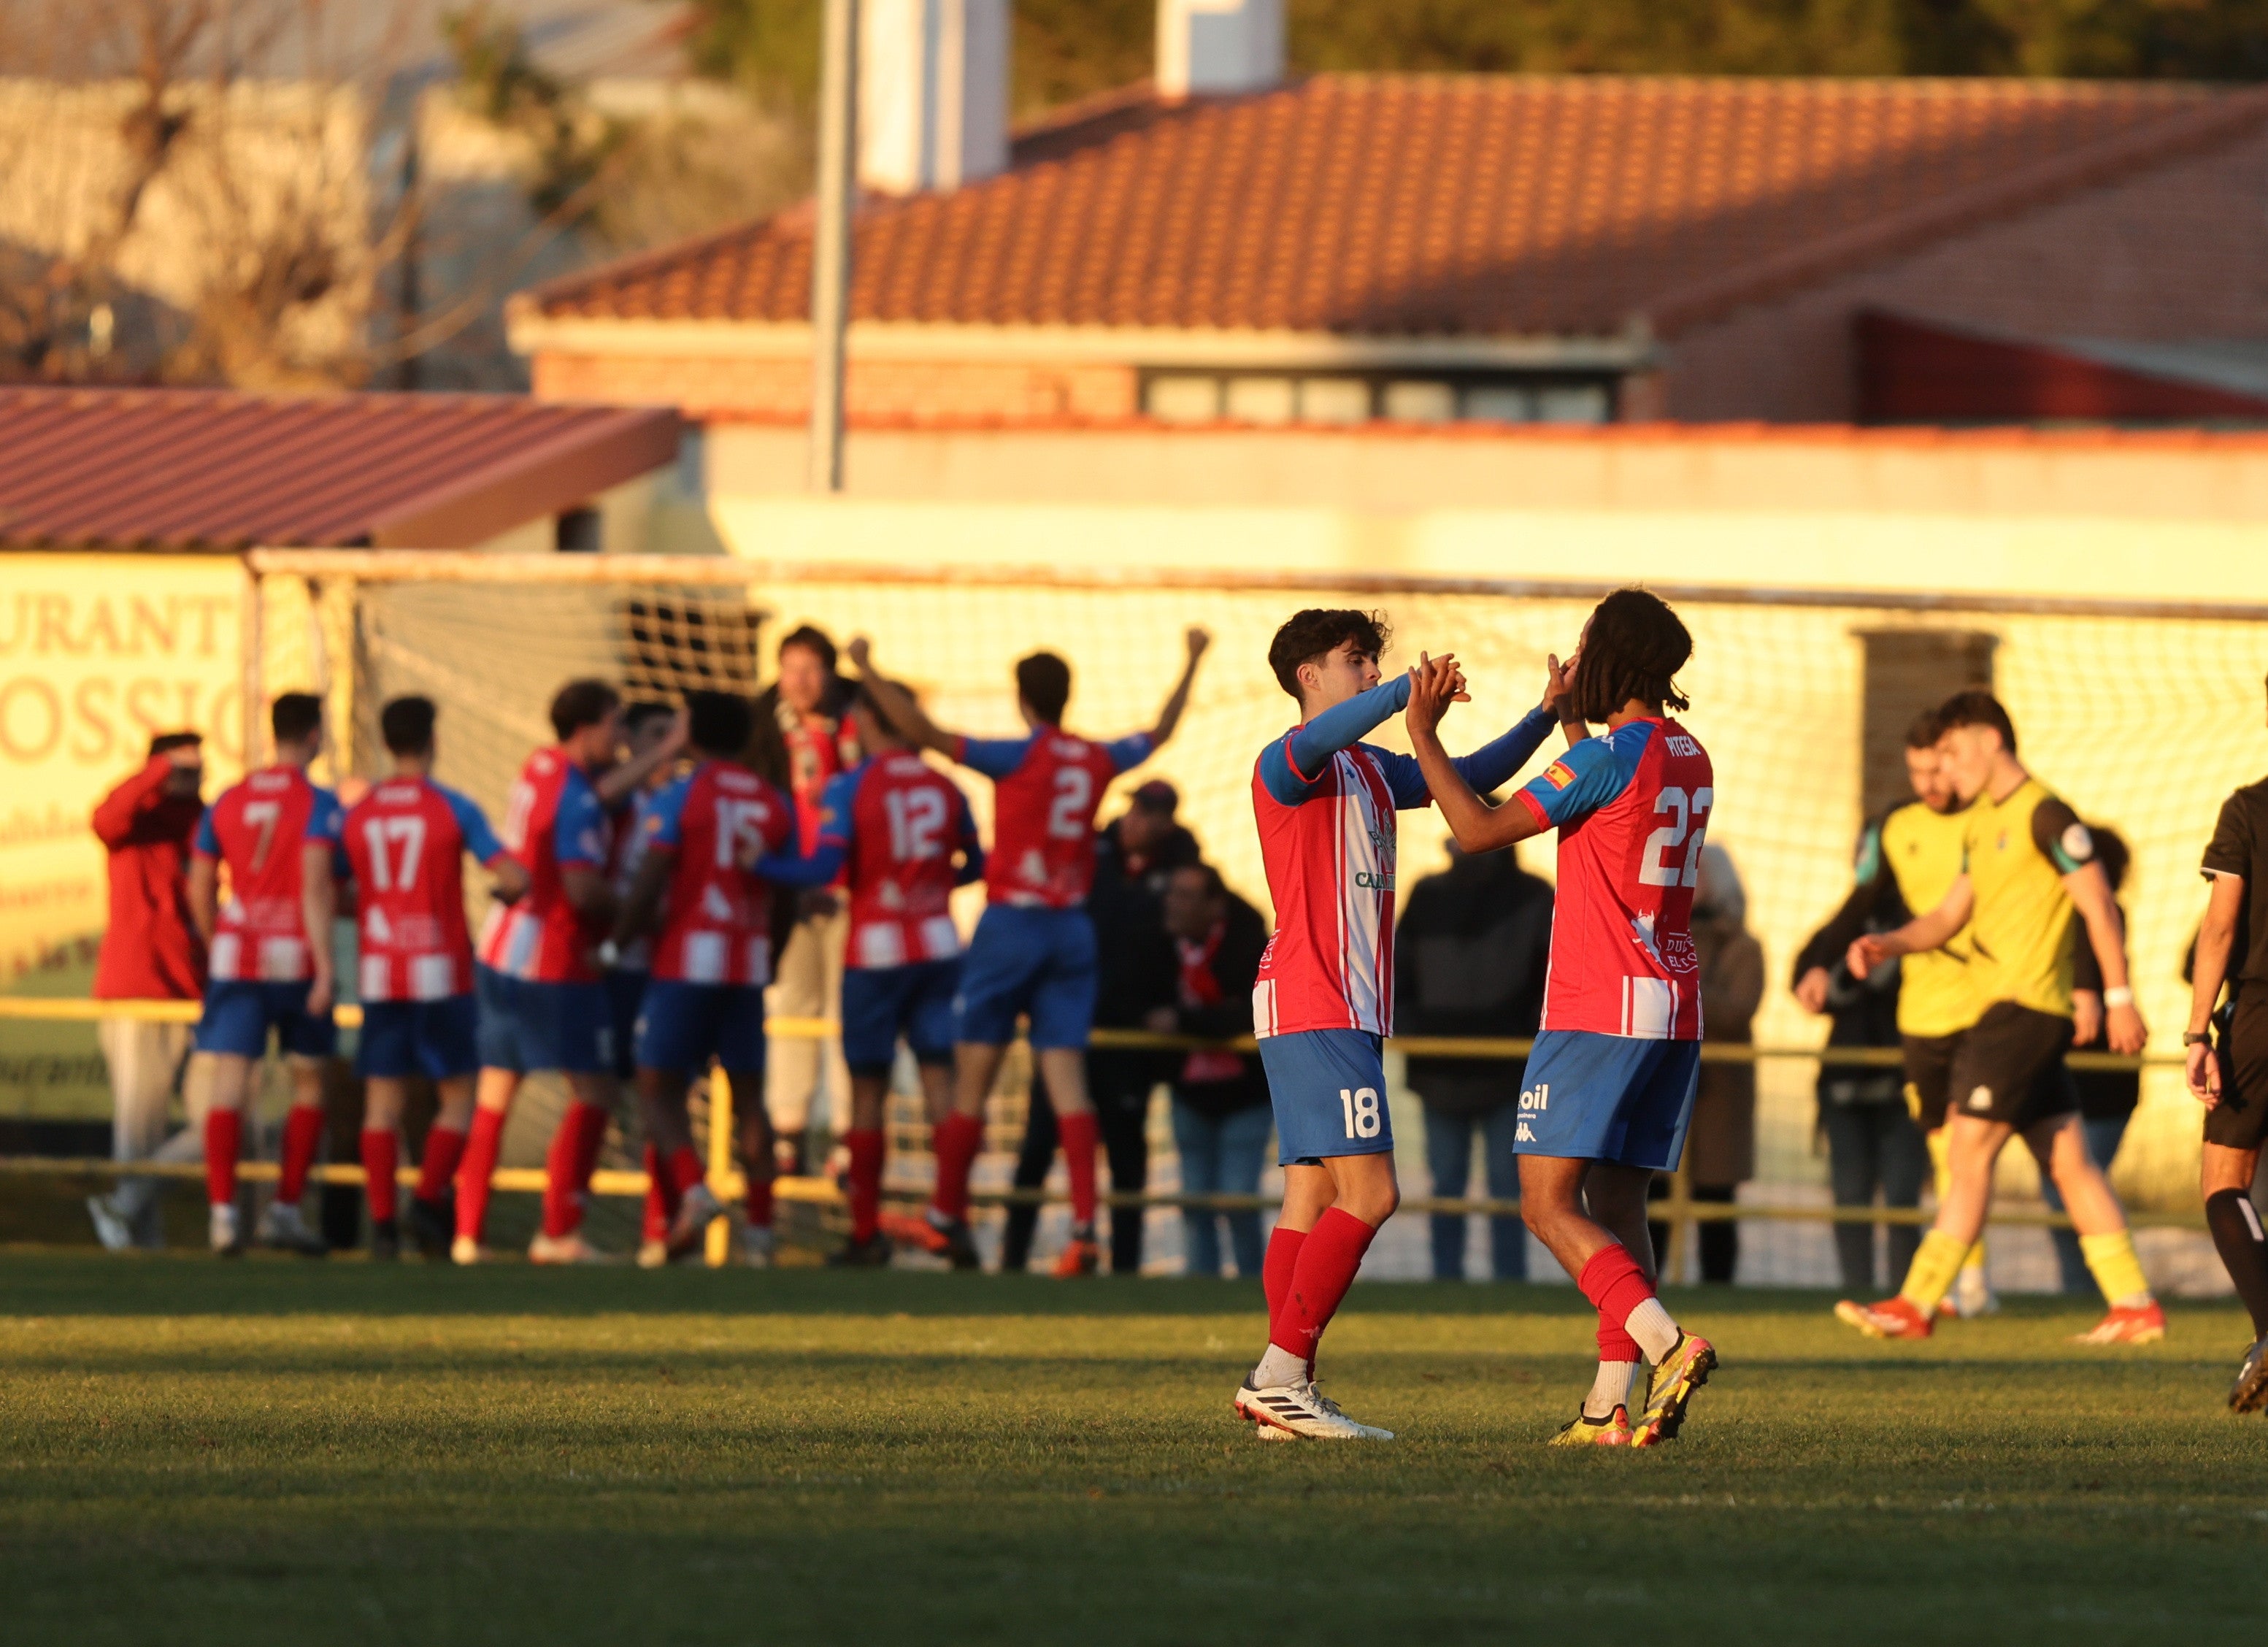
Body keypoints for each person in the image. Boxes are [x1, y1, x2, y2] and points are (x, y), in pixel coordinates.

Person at [1231, 607, 1561, 1443]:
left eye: (1374, 662)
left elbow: (1473, 772)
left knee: (1310, 1195)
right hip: (1317, 999)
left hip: (1335, 1005)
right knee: (1373, 1193)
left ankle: (1282, 1390)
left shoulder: (1372, 770)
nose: (1369, 674)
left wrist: (1545, 716)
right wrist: (1406, 705)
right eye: (1354, 661)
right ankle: (1280, 1376)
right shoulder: (1288, 761)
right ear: (1307, 676)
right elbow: (1337, 731)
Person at [1406, 589, 1721, 1450]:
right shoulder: (1684, 752)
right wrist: (1567, 724)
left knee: (1546, 1206)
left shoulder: (1605, 758)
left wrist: (1423, 734)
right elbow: (1611, 802)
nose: (1574, 657)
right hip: (1673, 1003)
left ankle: (1668, 1345)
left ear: (1609, 657)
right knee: (1617, 1206)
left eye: (1586, 645)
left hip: (1597, 1006)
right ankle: (1606, 1408)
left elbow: (1474, 830)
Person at [850, 629, 1209, 1276]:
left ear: (1022, 700)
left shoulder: (1011, 756)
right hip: (1071, 929)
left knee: (974, 1078)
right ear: (1067, 696)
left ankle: (945, 1215)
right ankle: (1081, 1230)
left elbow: (924, 732)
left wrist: (867, 670)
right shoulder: (1096, 758)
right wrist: (1191, 659)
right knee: (1067, 1081)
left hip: (1012, 925)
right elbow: (1160, 731)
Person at [1838, 690, 2163, 1344]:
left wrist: (2118, 996)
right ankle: (2134, 1305)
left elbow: (2097, 904)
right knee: (2069, 1161)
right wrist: (1889, 943)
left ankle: (1917, 1301)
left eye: (1953, 753)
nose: (1947, 770)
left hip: (2025, 1012)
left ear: (1989, 741)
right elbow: (1950, 913)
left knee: (1966, 1149)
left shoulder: (2044, 813)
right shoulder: (1982, 823)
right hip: (2005, 1011)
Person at [754, 679, 985, 1266]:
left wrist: (760, 864)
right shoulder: (946, 786)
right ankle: (950, 1220)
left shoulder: (850, 787)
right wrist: (932, 886)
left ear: (874, 725)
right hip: (936, 944)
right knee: (941, 1085)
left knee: (866, 1091)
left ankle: (864, 1234)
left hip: (875, 952)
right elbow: (974, 864)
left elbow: (826, 865)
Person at [456, 680, 679, 1264]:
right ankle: (558, 1231)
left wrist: (657, 758)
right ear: (589, 728)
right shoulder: (580, 798)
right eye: (615, 725)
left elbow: (598, 793)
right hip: (553, 959)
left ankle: (465, 1234)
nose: (622, 737)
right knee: (599, 1090)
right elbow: (582, 890)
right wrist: (642, 917)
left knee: (495, 1093)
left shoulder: (541, 764)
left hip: (500, 950)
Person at [310, 697, 527, 1260]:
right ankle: (428, 1202)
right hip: (442, 971)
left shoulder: (359, 814)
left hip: (381, 973)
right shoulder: (451, 807)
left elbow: (331, 881)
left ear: (385, 743)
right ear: (433, 740)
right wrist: (505, 889)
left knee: (381, 1104)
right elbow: (512, 874)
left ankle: (381, 1227)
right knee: (457, 1098)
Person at [1796, 708, 1987, 1311]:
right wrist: (1814, 968)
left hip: (1979, 1012)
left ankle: (1956, 1286)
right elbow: (1855, 903)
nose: (1928, 783)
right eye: (1916, 771)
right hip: (1910, 1035)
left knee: (1978, 1157)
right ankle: (1939, 1290)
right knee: (1955, 1157)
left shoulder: (1989, 822)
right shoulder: (1892, 828)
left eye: (1937, 769)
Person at [615, 690, 797, 1267]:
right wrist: (773, 952)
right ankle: (763, 1237)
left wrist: (615, 940)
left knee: (656, 1087)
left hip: (687, 962)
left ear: (692, 734)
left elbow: (651, 876)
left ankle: (694, 1192)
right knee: (749, 1102)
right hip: (746, 965)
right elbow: (786, 889)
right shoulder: (771, 801)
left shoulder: (683, 793)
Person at [1004, 780, 1195, 1275]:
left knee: (1127, 1156)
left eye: (1152, 813)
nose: (1138, 820)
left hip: (1127, 1041)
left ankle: (1123, 1267)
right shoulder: (1090, 857)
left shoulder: (1181, 872)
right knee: (1038, 1146)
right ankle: (1011, 1259)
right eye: (1136, 809)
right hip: (1069, 1029)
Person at [186, 694, 342, 1259]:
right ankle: (284, 1210)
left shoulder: (228, 798)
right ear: (314, 735)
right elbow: (315, 887)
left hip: (238, 958)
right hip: (296, 961)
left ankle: (223, 1216)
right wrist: (326, 972)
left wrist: (218, 941)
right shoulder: (318, 803)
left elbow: (200, 886)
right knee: (308, 1084)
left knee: (230, 1085)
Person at [1394, 836, 1551, 1283]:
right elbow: (1400, 970)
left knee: (1499, 1189)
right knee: (1460, 1188)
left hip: (1501, 1070)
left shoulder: (1535, 898)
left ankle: (1499, 1280)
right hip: (1458, 1068)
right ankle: (1460, 1280)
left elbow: (1550, 977)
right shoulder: (1430, 894)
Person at [1791, 794, 1929, 1297]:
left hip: (1903, 1081)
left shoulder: (1922, 918)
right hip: (1847, 1083)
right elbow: (1807, 975)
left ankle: (1903, 1296)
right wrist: (1825, 980)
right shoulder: (1847, 920)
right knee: (1850, 1196)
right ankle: (1857, 1290)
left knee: (1901, 1199)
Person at [85, 731, 208, 1251]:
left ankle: (123, 1205)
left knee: (223, 1120)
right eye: (182, 765)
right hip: (138, 994)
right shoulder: (136, 817)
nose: (193, 773)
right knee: (138, 1135)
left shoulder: (200, 820)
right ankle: (141, 1252)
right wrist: (158, 772)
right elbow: (105, 819)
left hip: (195, 997)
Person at [2184, 683, 2268, 1410]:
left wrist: (2193, 1032)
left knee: (2223, 1183)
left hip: (2260, 1015)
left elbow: (2217, 928)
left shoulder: (2247, 808)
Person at [761, 626, 861, 1175]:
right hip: (792, 895)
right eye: (789, 668)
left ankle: (847, 1139)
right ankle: (787, 1134)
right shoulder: (765, 730)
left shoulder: (856, 726)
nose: (798, 681)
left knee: (846, 1015)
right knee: (792, 1008)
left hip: (848, 892)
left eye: (810, 669)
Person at [1149, 861, 1269, 1279]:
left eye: (1185, 895)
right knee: (1195, 1202)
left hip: (1246, 1094)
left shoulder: (1248, 942)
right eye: (1172, 893)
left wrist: (1184, 1022)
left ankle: (1256, 1283)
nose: (1173, 903)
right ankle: (1202, 1285)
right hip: (1190, 1092)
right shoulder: (1161, 944)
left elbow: (1246, 1015)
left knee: (1238, 1200)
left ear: (1215, 906)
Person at [1652, 843, 1764, 1283]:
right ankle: (1644, 1293)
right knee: (1654, 1197)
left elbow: (1738, 1010)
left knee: (1717, 1202)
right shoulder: (1659, 935)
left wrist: (1682, 988)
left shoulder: (1743, 947)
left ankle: (1720, 1290)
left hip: (1720, 1094)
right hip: (1666, 1084)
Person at [599, 702, 684, 1267]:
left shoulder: (683, 803)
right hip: (609, 971)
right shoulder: (611, 802)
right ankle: (558, 1225)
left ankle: (664, 1231)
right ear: (629, 741)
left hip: (663, 972)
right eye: (658, 737)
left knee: (664, 1098)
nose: (669, 750)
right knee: (597, 1098)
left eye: (675, 738)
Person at [2043, 826, 2140, 1294]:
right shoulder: (2070, 915)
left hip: (2101, 1086)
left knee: (2077, 1186)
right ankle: (2081, 1290)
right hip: (2074, 1079)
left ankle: (2104, 1292)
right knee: (2065, 1189)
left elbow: (2088, 983)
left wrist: (2088, 997)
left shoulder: (2099, 913)